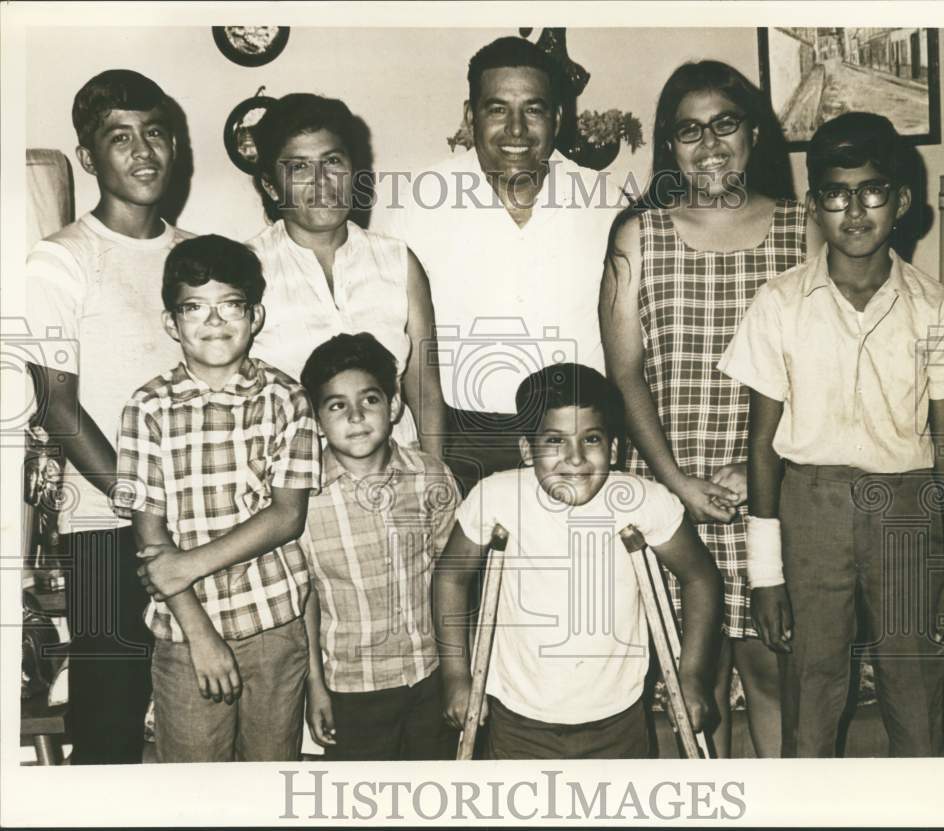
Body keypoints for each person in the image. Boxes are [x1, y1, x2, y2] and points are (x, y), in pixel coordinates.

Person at [719, 112, 944, 757]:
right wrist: (765, 573)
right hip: (812, 511)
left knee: (918, 699)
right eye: (835, 193)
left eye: (873, 191)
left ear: (903, 202)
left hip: (909, 514)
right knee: (811, 694)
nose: (854, 211)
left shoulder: (938, 307)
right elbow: (760, 448)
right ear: (813, 205)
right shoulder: (778, 303)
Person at [600, 60, 820, 758]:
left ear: (753, 133)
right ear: (669, 145)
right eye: (689, 131)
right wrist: (676, 481)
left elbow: (821, 368)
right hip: (668, 491)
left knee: (770, 669)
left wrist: (761, 464)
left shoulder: (804, 229)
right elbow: (625, 372)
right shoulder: (638, 236)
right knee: (690, 683)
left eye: (724, 123)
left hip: (771, 483)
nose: (710, 145)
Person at [24, 69, 191, 764]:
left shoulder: (198, 255)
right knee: (111, 717)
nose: (143, 150)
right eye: (120, 137)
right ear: (89, 157)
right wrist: (146, 508)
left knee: (195, 710)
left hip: (202, 521)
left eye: (155, 132)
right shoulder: (59, 260)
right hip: (104, 525)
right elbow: (59, 407)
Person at [433, 363, 721, 759]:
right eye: (554, 441)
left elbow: (700, 579)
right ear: (525, 449)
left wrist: (691, 675)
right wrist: (456, 677)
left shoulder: (642, 501)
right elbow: (451, 577)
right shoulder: (497, 498)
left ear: (614, 449)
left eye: (591, 439)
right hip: (518, 717)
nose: (574, 457)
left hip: (618, 718)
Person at [114, 235, 322, 762]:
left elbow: (287, 515)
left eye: (230, 305)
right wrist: (200, 634)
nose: (213, 322)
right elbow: (152, 542)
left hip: (274, 625)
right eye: (194, 308)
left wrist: (187, 566)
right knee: (194, 786)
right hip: (187, 635)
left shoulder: (287, 398)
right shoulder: (146, 408)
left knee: (271, 781)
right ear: (171, 323)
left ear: (255, 317)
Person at [391, 36, 619, 494]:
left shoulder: (607, 203)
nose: (516, 129)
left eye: (533, 110)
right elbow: (407, 343)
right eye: (497, 109)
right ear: (470, 115)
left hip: (577, 445)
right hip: (462, 441)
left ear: (557, 117)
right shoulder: (419, 203)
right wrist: (432, 462)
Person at [247, 93, 446, 456]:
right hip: (294, 482)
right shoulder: (246, 268)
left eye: (332, 162)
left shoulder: (398, 260)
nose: (321, 181)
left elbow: (425, 389)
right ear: (271, 186)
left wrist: (434, 476)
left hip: (397, 473)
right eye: (299, 168)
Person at [297, 332, 461, 760]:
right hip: (352, 688)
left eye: (369, 400)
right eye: (336, 405)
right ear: (316, 419)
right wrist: (315, 685)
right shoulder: (303, 497)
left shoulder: (430, 477)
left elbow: (455, 579)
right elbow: (305, 595)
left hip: (430, 676)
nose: (355, 416)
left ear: (394, 406)